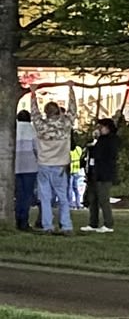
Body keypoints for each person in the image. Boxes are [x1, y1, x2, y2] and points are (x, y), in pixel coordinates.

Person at [30, 82, 77, 235]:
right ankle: (66, 225)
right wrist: (71, 89)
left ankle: (47, 225)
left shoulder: (41, 126)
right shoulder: (65, 124)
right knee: (63, 197)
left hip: (44, 163)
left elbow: (34, 113)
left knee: (45, 197)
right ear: (58, 111)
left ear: (46, 112)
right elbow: (73, 110)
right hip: (61, 165)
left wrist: (33, 94)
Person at [81, 119, 120, 233]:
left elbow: (103, 155)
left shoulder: (111, 140)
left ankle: (108, 224)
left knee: (103, 199)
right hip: (94, 173)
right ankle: (93, 223)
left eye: (101, 127)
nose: (98, 129)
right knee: (93, 199)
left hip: (104, 174)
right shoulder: (100, 140)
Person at [14, 111, 38, 231]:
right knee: (27, 195)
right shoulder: (32, 130)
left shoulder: (13, 129)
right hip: (30, 167)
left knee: (18, 194)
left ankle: (16, 217)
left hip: (16, 166)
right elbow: (37, 149)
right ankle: (23, 221)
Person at [69, 134, 83, 210]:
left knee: (69, 189)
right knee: (76, 189)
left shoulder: (69, 150)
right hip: (76, 170)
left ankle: (71, 204)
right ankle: (78, 203)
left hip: (70, 171)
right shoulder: (78, 149)